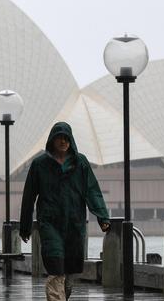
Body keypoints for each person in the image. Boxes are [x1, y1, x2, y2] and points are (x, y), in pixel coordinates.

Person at [19, 122, 110, 301]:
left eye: (66, 138)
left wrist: (102, 216)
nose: (63, 141)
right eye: (59, 137)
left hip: (74, 224)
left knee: (69, 274)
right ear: (52, 140)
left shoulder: (80, 163)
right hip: (50, 223)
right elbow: (29, 196)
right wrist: (25, 227)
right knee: (55, 268)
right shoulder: (39, 165)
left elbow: (92, 189)